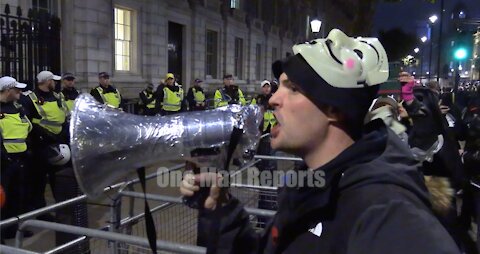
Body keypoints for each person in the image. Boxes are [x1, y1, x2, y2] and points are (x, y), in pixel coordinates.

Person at [180, 29, 460, 253]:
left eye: (293, 89)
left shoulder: (386, 214)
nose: (274, 99)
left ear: (333, 108)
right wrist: (221, 208)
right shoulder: (313, 184)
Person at [0, 76, 33, 240]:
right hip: (3, 162)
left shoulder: (18, 107)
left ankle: (12, 229)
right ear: (8, 90)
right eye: (17, 89)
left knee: (16, 197)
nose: (20, 92)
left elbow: (28, 127)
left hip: (19, 160)